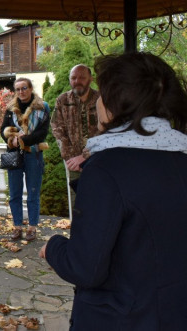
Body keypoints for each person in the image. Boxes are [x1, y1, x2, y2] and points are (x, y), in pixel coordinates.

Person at [40, 53, 187, 330]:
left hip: (121, 317)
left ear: (114, 105)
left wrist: (53, 248)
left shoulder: (105, 169)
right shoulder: (181, 158)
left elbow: (86, 267)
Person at [0, 77, 50, 242]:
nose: (21, 92)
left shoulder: (42, 107)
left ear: (30, 88)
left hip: (33, 154)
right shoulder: (10, 108)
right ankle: (17, 226)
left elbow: (43, 132)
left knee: (33, 193)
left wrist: (23, 140)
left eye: (24, 88)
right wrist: (11, 138)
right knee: (14, 193)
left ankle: (32, 227)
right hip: (14, 154)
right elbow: (3, 129)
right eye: (18, 89)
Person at [51, 64, 100, 177]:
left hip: (98, 158)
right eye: (73, 78)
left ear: (91, 79)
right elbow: (57, 129)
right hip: (73, 163)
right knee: (76, 188)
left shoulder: (101, 99)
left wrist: (85, 156)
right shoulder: (63, 100)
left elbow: (107, 130)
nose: (77, 81)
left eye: (82, 77)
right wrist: (73, 158)